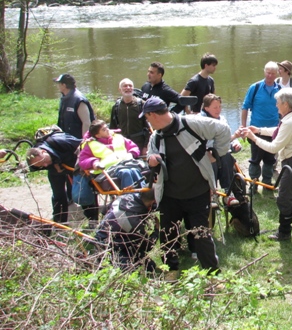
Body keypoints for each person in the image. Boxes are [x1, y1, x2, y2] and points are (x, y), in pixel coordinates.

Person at [144, 96, 231, 273]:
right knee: (168, 236)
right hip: (169, 196)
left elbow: (223, 130)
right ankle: (171, 271)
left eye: (146, 117)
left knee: (202, 235)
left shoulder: (191, 123)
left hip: (198, 192)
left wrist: (216, 154)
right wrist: (151, 161)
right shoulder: (156, 136)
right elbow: (150, 155)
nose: (146, 121)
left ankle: (212, 274)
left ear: (152, 115)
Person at [241, 88, 292, 244]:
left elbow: (274, 147)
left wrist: (254, 138)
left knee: (284, 199)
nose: (276, 105)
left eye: (278, 103)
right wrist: (259, 130)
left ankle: (285, 233)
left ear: (286, 104)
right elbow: (280, 131)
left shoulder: (290, 121)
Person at [95, 188, 157, 272]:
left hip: (119, 239)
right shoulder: (133, 222)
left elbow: (105, 210)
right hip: (108, 246)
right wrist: (157, 229)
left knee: (151, 267)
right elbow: (146, 246)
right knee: (129, 271)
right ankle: (106, 262)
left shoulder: (127, 197)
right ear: (153, 203)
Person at [241, 62, 281, 189]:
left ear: (276, 74)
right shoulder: (255, 87)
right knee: (255, 159)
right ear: (264, 72)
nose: (269, 75)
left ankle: (267, 182)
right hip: (255, 130)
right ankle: (254, 182)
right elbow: (245, 107)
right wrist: (243, 127)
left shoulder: (280, 90)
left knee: (270, 158)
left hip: (273, 130)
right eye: (268, 72)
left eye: (272, 73)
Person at [25, 132, 81, 223]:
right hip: (56, 171)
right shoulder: (37, 159)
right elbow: (43, 163)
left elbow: (83, 145)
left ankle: (93, 219)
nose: (45, 165)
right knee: (58, 195)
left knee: (82, 191)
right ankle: (60, 223)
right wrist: (54, 164)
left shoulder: (61, 141)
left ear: (44, 151)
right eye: (42, 165)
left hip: (75, 164)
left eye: (44, 161)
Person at [78, 119, 143, 189]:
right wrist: (94, 163)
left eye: (107, 127)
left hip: (127, 164)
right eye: (104, 130)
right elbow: (83, 160)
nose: (107, 130)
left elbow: (133, 147)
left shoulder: (118, 137)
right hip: (108, 170)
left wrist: (132, 154)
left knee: (134, 170)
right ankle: (129, 197)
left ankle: (144, 194)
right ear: (98, 135)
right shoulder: (91, 145)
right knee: (126, 172)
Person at [200, 94, 243, 199]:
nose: (218, 110)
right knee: (214, 158)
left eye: (219, 107)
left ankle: (228, 190)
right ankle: (212, 192)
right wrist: (232, 138)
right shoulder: (200, 121)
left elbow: (226, 136)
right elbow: (210, 143)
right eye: (215, 107)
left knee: (227, 156)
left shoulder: (222, 119)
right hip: (204, 152)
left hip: (220, 151)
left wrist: (234, 142)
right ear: (206, 108)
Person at [110, 78, 150, 154]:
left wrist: (146, 146)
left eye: (130, 86)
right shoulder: (116, 107)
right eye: (125, 86)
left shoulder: (142, 104)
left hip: (139, 144)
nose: (128, 88)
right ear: (120, 90)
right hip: (122, 145)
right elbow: (112, 129)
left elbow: (149, 128)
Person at [54, 73, 95, 139]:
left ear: (64, 85)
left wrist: (84, 141)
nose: (57, 86)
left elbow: (86, 123)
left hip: (78, 140)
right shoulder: (64, 98)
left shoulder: (79, 100)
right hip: (68, 139)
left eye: (59, 84)